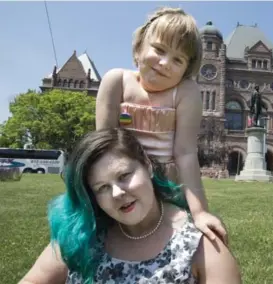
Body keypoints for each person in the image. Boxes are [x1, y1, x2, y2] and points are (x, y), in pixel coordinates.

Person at [19, 128, 242, 284]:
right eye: (102, 188)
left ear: (148, 166)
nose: (117, 193)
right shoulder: (81, 233)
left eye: (124, 175)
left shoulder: (203, 246)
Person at [95, 7, 228, 245]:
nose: (165, 62)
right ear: (138, 48)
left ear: (186, 72)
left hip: (163, 187)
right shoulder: (115, 80)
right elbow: (103, 145)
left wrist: (199, 211)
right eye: (159, 49)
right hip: (119, 180)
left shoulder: (186, 92)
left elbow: (185, 153)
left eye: (178, 60)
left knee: (174, 241)